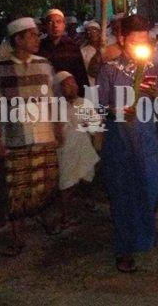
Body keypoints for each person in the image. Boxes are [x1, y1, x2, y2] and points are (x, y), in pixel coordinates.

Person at [0, 17, 61, 256]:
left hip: (44, 136)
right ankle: (17, 238)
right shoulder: (1, 70)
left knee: (46, 184)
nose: (36, 39)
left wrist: (58, 130)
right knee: (17, 190)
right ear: (18, 39)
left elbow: (55, 102)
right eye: (31, 35)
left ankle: (45, 223)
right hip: (16, 139)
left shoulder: (45, 65)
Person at [97, 15, 158, 273]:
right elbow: (95, 107)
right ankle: (124, 247)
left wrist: (157, 96)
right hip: (120, 140)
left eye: (144, 41)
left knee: (150, 188)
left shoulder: (151, 67)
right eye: (135, 41)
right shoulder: (109, 68)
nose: (139, 46)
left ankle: (142, 237)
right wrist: (116, 110)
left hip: (146, 140)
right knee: (123, 194)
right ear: (123, 39)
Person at [54, 71, 100, 229]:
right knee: (66, 184)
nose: (72, 86)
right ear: (60, 88)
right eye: (67, 84)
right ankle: (66, 216)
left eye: (73, 83)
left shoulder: (84, 103)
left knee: (87, 178)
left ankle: (89, 201)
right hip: (65, 151)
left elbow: (95, 126)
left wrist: (90, 126)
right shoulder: (55, 105)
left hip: (83, 148)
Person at [37, 9, 89, 95]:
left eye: (58, 22)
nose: (55, 26)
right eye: (50, 22)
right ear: (45, 26)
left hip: (68, 95)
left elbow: (81, 76)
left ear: (64, 25)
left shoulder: (72, 47)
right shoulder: (39, 47)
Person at [80, 21, 104, 87]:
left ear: (99, 32)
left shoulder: (107, 48)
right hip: (91, 85)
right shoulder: (83, 51)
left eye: (94, 30)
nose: (91, 33)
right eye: (88, 31)